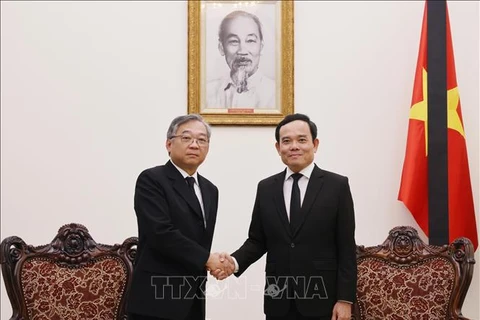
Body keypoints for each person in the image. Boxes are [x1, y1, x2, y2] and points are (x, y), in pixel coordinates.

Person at [216, 113, 357, 320]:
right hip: (278, 299)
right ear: (278, 148)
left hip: (322, 300)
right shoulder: (266, 188)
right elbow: (257, 240)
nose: (294, 146)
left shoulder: (337, 186)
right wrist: (233, 263)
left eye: (301, 140)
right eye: (286, 141)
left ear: (315, 144)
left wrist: (345, 300)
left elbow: (346, 247)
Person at [127, 114, 233, 320]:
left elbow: (200, 241)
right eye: (186, 138)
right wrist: (207, 259)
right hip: (155, 299)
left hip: (193, 296)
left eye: (202, 140)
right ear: (168, 144)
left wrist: (214, 263)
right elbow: (161, 233)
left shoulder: (211, 190)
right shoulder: (151, 180)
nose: (195, 144)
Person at [206, 10, 275, 109]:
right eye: (234, 41)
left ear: (261, 46)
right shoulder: (207, 93)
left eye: (250, 40)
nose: (242, 51)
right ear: (221, 48)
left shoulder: (276, 94)